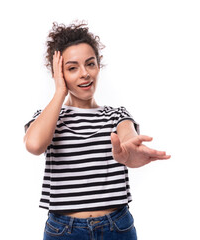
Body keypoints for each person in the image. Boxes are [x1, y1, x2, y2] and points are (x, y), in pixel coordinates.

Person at [24, 21, 171, 240]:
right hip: (64, 230)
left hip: (117, 226)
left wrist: (129, 152)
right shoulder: (48, 118)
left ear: (98, 66)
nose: (84, 73)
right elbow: (34, 145)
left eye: (90, 64)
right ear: (58, 74)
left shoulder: (116, 115)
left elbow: (127, 135)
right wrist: (59, 92)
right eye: (72, 68)